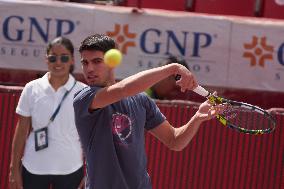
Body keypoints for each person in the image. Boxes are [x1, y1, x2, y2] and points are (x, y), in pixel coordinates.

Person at [73, 34, 226, 189]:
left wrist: (197, 118)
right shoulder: (84, 98)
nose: (89, 69)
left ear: (112, 63)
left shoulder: (141, 100)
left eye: (97, 61)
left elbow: (174, 141)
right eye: (85, 63)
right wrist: (173, 68)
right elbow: (123, 89)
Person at [9, 36, 86, 189]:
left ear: (72, 60)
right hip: (33, 168)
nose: (58, 62)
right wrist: (13, 170)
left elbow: (93, 134)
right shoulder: (31, 88)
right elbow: (21, 129)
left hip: (70, 170)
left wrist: (90, 171)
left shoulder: (83, 91)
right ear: (46, 60)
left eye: (64, 58)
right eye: (53, 58)